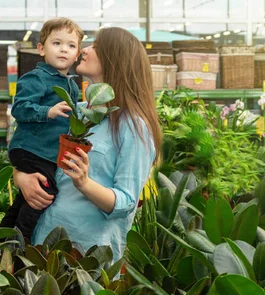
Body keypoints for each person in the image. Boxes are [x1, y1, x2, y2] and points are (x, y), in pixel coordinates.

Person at [12, 27, 162, 262]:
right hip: (42, 242)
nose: (85, 50)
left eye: (95, 47)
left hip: (87, 254)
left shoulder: (133, 126)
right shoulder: (75, 111)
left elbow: (126, 203)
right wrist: (20, 176)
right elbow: (34, 146)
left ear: (114, 60)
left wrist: (84, 183)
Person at [0, 18, 83, 240]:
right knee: (44, 192)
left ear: (77, 54)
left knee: (24, 199)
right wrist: (47, 111)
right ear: (41, 49)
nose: (64, 49)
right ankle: (20, 242)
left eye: (71, 45)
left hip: (44, 151)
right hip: (31, 148)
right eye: (56, 43)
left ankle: (2, 239)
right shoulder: (37, 78)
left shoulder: (72, 86)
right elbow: (19, 108)